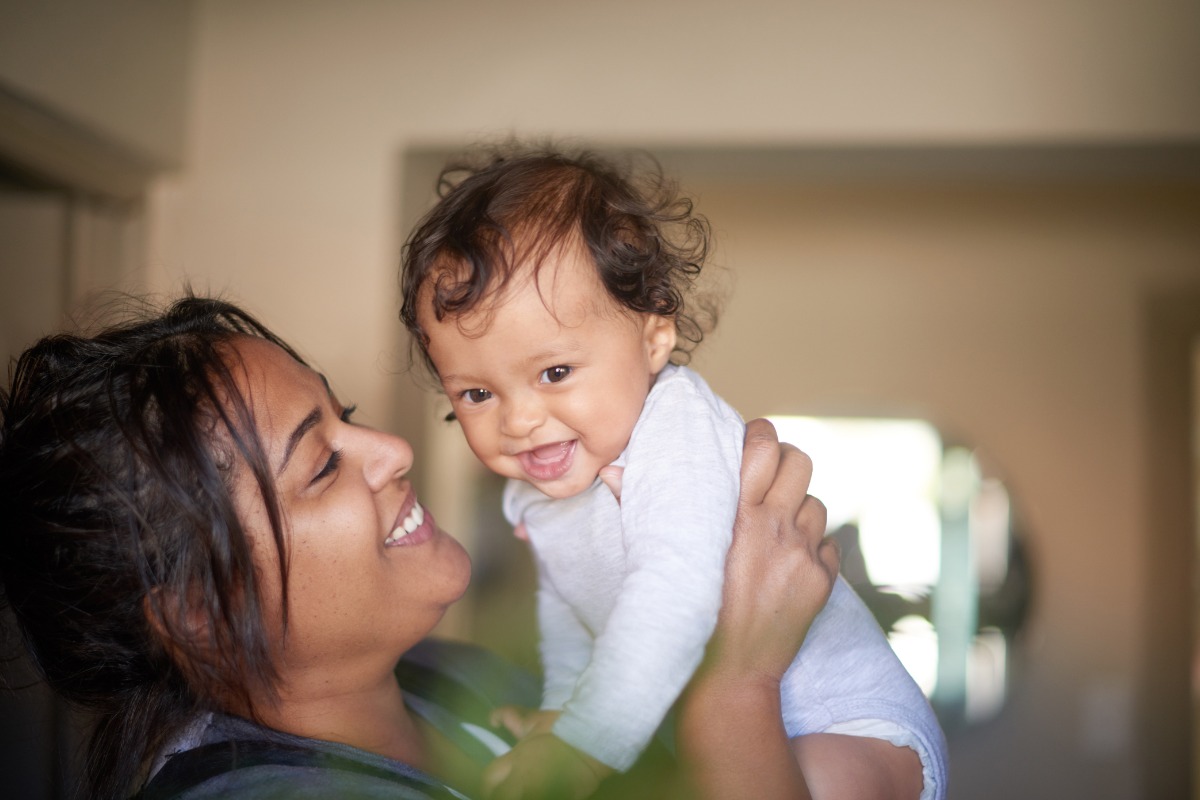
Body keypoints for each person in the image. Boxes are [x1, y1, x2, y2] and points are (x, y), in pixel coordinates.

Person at [0, 294, 858, 800]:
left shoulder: (459, 682)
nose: (394, 452)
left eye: (347, 415)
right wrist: (737, 684)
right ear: (197, 612)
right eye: (321, 466)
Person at [399, 146, 947, 800]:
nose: (519, 422)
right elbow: (567, 608)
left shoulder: (674, 427)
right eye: (477, 394)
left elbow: (675, 593)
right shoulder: (539, 486)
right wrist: (562, 713)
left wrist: (583, 743)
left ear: (654, 338)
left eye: (555, 373)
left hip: (850, 721)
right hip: (718, 713)